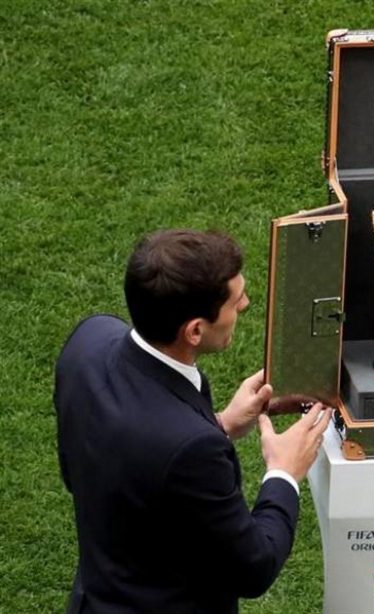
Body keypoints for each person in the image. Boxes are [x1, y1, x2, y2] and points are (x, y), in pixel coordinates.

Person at [54, 229, 332, 613]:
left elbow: (95, 467)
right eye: (236, 301)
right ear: (196, 330)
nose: (246, 304)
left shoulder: (90, 340)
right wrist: (283, 471)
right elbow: (255, 566)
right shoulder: (191, 449)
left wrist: (223, 424)